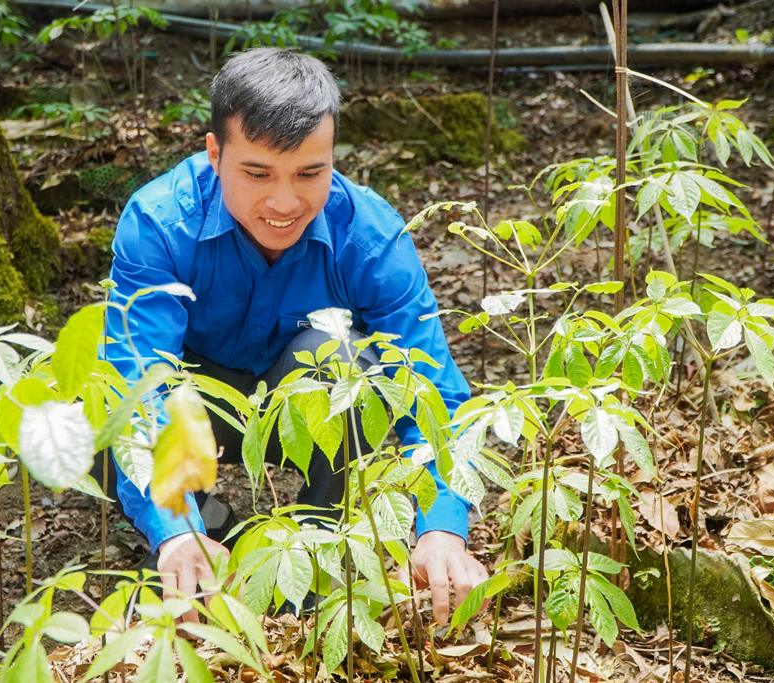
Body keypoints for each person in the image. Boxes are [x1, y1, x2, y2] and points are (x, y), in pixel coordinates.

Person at [103, 47, 488, 626]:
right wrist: (175, 529)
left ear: (332, 158)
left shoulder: (370, 234)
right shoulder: (159, 222)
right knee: (89, 409)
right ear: (214, 153)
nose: (285, 203)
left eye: (310, 174)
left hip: (313, 406)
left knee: (339, 357)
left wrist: (441, 528)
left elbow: (437, 395)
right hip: (201, 411)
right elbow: (137, 384)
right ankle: (209, 531)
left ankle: (317, 542)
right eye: (256, 173)